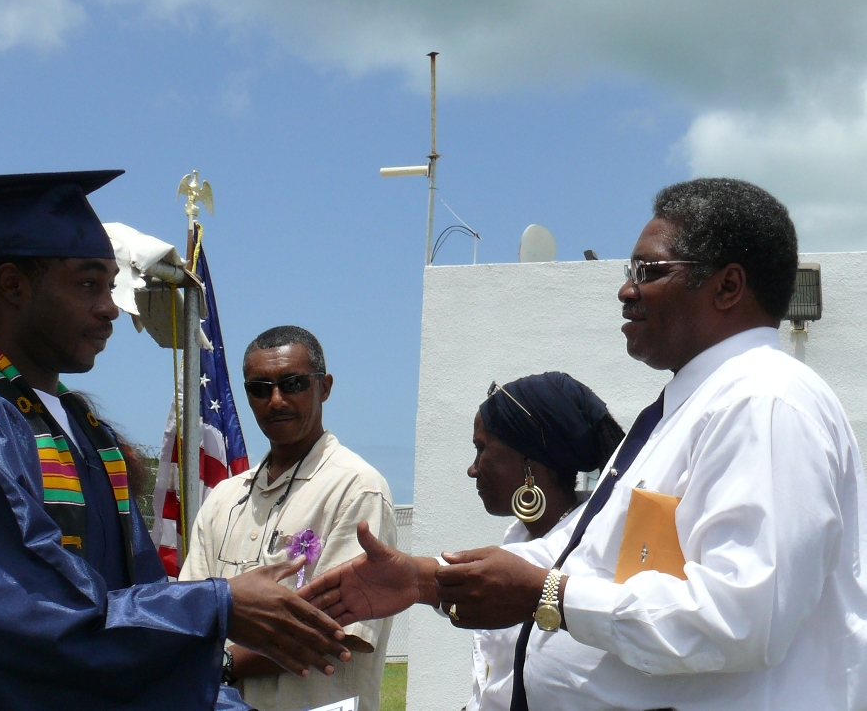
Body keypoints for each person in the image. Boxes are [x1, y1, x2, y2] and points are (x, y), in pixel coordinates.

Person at [302, 178, 867, 711]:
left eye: (649, 270)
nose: (626, 289)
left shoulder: (766, 402)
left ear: (727, 286)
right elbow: (582, 556)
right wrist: (424, 579)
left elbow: (744, 617)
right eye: (630, 269)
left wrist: (550, 597)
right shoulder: (687, 408)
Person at [0, 171, 350, 711]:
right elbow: (20, 622)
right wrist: (217, 606)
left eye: (110, 285)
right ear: (13, 286)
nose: (111, 307)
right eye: (88, 284)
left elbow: (135, 609)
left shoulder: (87, 432)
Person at [181, 325, 396, 711]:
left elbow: (331, 631)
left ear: (324, 387)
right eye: (259, 388)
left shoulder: (357, 489)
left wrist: (220, 664)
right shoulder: (225, 499)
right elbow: (189, 613)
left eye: (293, 383)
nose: (276, 400)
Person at [460, 373, 623, 711]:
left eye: (482, 449)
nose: (472, 469)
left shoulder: (597, 557)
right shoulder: (519, 541)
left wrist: (415, 581)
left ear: (528, 463)